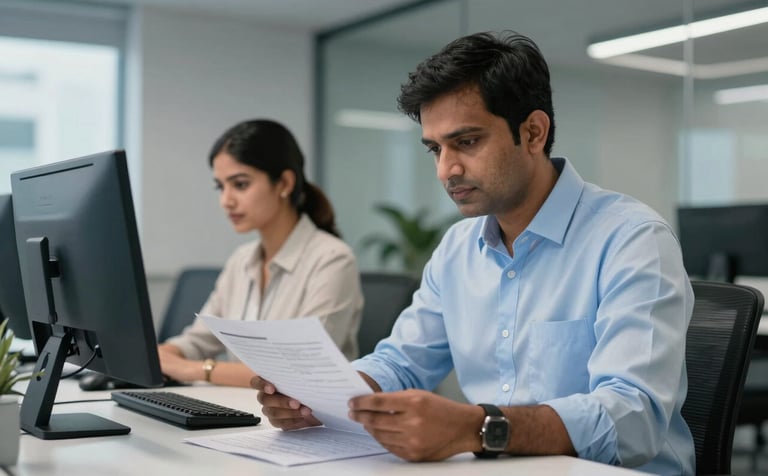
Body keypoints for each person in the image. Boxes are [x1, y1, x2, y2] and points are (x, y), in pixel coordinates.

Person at [253, 32, 694, 474]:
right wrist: (318, 397)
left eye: (466, 142)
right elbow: (401, 362)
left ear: (533, 132)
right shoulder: (457, 249)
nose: (447, 169)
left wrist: (477, 428)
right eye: (435, 149)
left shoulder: (632, 240)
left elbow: (632, 419)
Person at [159, 119, 363, 388]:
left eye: (240, 184)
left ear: (284, 183)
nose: (226, 200)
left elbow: (298, 370)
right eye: (221, 186)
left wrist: (192, 369)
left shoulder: (332, 260)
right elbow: (197, 341)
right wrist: (164, 355)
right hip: (241, 412)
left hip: (308, 422)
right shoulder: (241, 260)